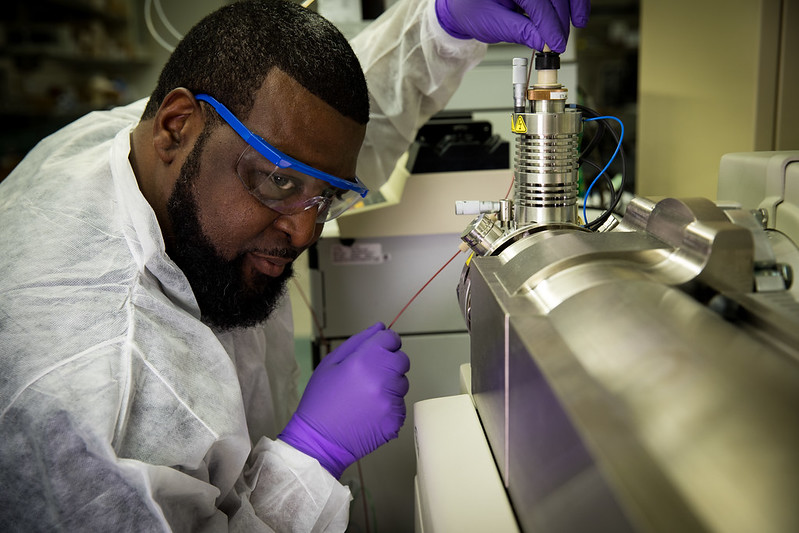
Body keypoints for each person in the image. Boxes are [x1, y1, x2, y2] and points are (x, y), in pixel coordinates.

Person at [0, 0, 588, 530]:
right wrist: (308, 458)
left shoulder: (144, 138)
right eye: (278, 180)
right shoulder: (99, 391)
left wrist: (438, 26)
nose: (305, 230)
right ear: (176, 127)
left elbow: (311, 130)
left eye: (327, 196)